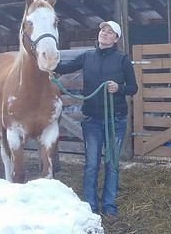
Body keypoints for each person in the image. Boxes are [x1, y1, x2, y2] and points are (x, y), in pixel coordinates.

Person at [54, 21, 138, 216]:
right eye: (103, 30)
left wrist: (120, 88)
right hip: (92, 120)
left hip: (115, 120)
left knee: (112, 164)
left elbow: (133, 87)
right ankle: (90, 206)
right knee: (91, 164)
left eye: (110, 32)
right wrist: (46, 62)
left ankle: (109, 206)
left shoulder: (122, 59)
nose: (105, 34)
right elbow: (64, 67)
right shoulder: (87, 56)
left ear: (116, 39)